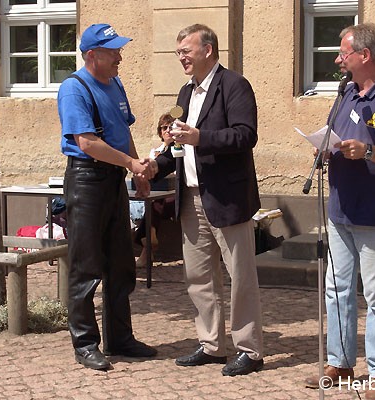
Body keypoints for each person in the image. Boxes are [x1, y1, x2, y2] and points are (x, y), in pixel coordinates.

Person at [304, 23, 375, 400]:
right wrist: (324, 149)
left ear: (364, 56)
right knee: (337, 290)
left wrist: (368, 151)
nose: (338, 60)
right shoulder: (346, 93)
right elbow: (335, 137)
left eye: (343, 53)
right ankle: (340, 361)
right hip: (340, 209)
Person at [151, 24, 264, 376]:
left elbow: (245, 136)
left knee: (240, 276)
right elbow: (180, 145)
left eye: (187, 50)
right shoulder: (186, 93)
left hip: (227, 197)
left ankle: (249, 350)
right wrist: (155, 164)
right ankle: (212, 345)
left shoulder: (234, 86)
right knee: (199, 277)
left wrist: (201, 137)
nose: (181, 57)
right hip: (190, 196)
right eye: (178, 52)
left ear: (209, 50)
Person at [57, 23, 157, 371]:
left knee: (120, 262)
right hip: (86, 180)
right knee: (86, 266)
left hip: (113, 178)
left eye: (119, 49)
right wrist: (130, 162)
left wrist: (136, 172)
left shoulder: (114, 83)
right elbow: (87, 142)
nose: (119, 56)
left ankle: (121, 338)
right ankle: (85, 343)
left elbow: (121, 128)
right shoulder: (74, 88)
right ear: (91, 55)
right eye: (112, 51)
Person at [133, 112, 176, 267]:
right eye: (164, 128)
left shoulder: (180, 150)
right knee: (154, 202)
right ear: (160, 132)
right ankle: (149, 242)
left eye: (171, 127)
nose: (167, 131)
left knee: (156, 203)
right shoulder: (154, 152)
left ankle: (147, 248)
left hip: (175, 195)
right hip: (158, 194)